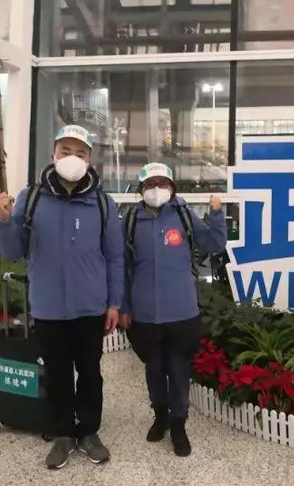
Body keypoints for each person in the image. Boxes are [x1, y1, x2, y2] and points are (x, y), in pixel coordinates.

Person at [0, 125, 124, 470]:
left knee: (91, 372)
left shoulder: (102, 203)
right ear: (53, 155)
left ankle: (89, 431)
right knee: (57, 374)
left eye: (80, 153)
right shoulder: (32, 198)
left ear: (90, 160)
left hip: (90, 307)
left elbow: (115, 257)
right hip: (49, 306)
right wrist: (4, 220)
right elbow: (13, 251)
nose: (72, 158)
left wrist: (114, 303)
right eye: (65, 151)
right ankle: (63, 434)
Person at [119, 162, 227, 457]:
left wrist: (217, 214)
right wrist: (123, 305)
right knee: (153, 370)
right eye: (150, 184)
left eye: (162, 183)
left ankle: (178, 425)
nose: (156, 189)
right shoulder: (131, 220)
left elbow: (215, 243)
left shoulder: (183, 215)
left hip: (182, 312)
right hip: (144, 314)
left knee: (179, 371)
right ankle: (160, 417)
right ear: (141, 189)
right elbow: (121, 266)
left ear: (172, 188)